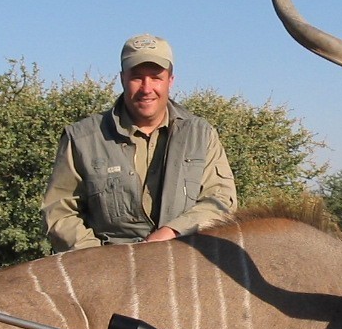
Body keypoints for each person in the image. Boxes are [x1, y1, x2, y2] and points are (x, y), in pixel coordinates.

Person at [41, 34, 237, 251]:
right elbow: (59, 212)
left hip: (183, 260)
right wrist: (98, 258)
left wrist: (171, 232)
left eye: (156, 77)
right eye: (137, 77)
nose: (146, 88)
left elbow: (220, 201)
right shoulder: (82, 138)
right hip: (108, 266)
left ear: (170, 80)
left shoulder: (201, 134)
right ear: (122, 78)